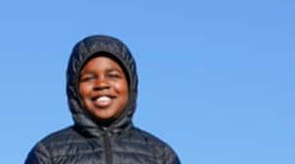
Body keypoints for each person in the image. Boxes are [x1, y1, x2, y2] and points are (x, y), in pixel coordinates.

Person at [24, 35, 181, 164]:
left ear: (130, 85)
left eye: (113, 76)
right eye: (88, 78)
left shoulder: (160, 156)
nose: (101, 84)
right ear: (74, 89)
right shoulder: (48, 154)